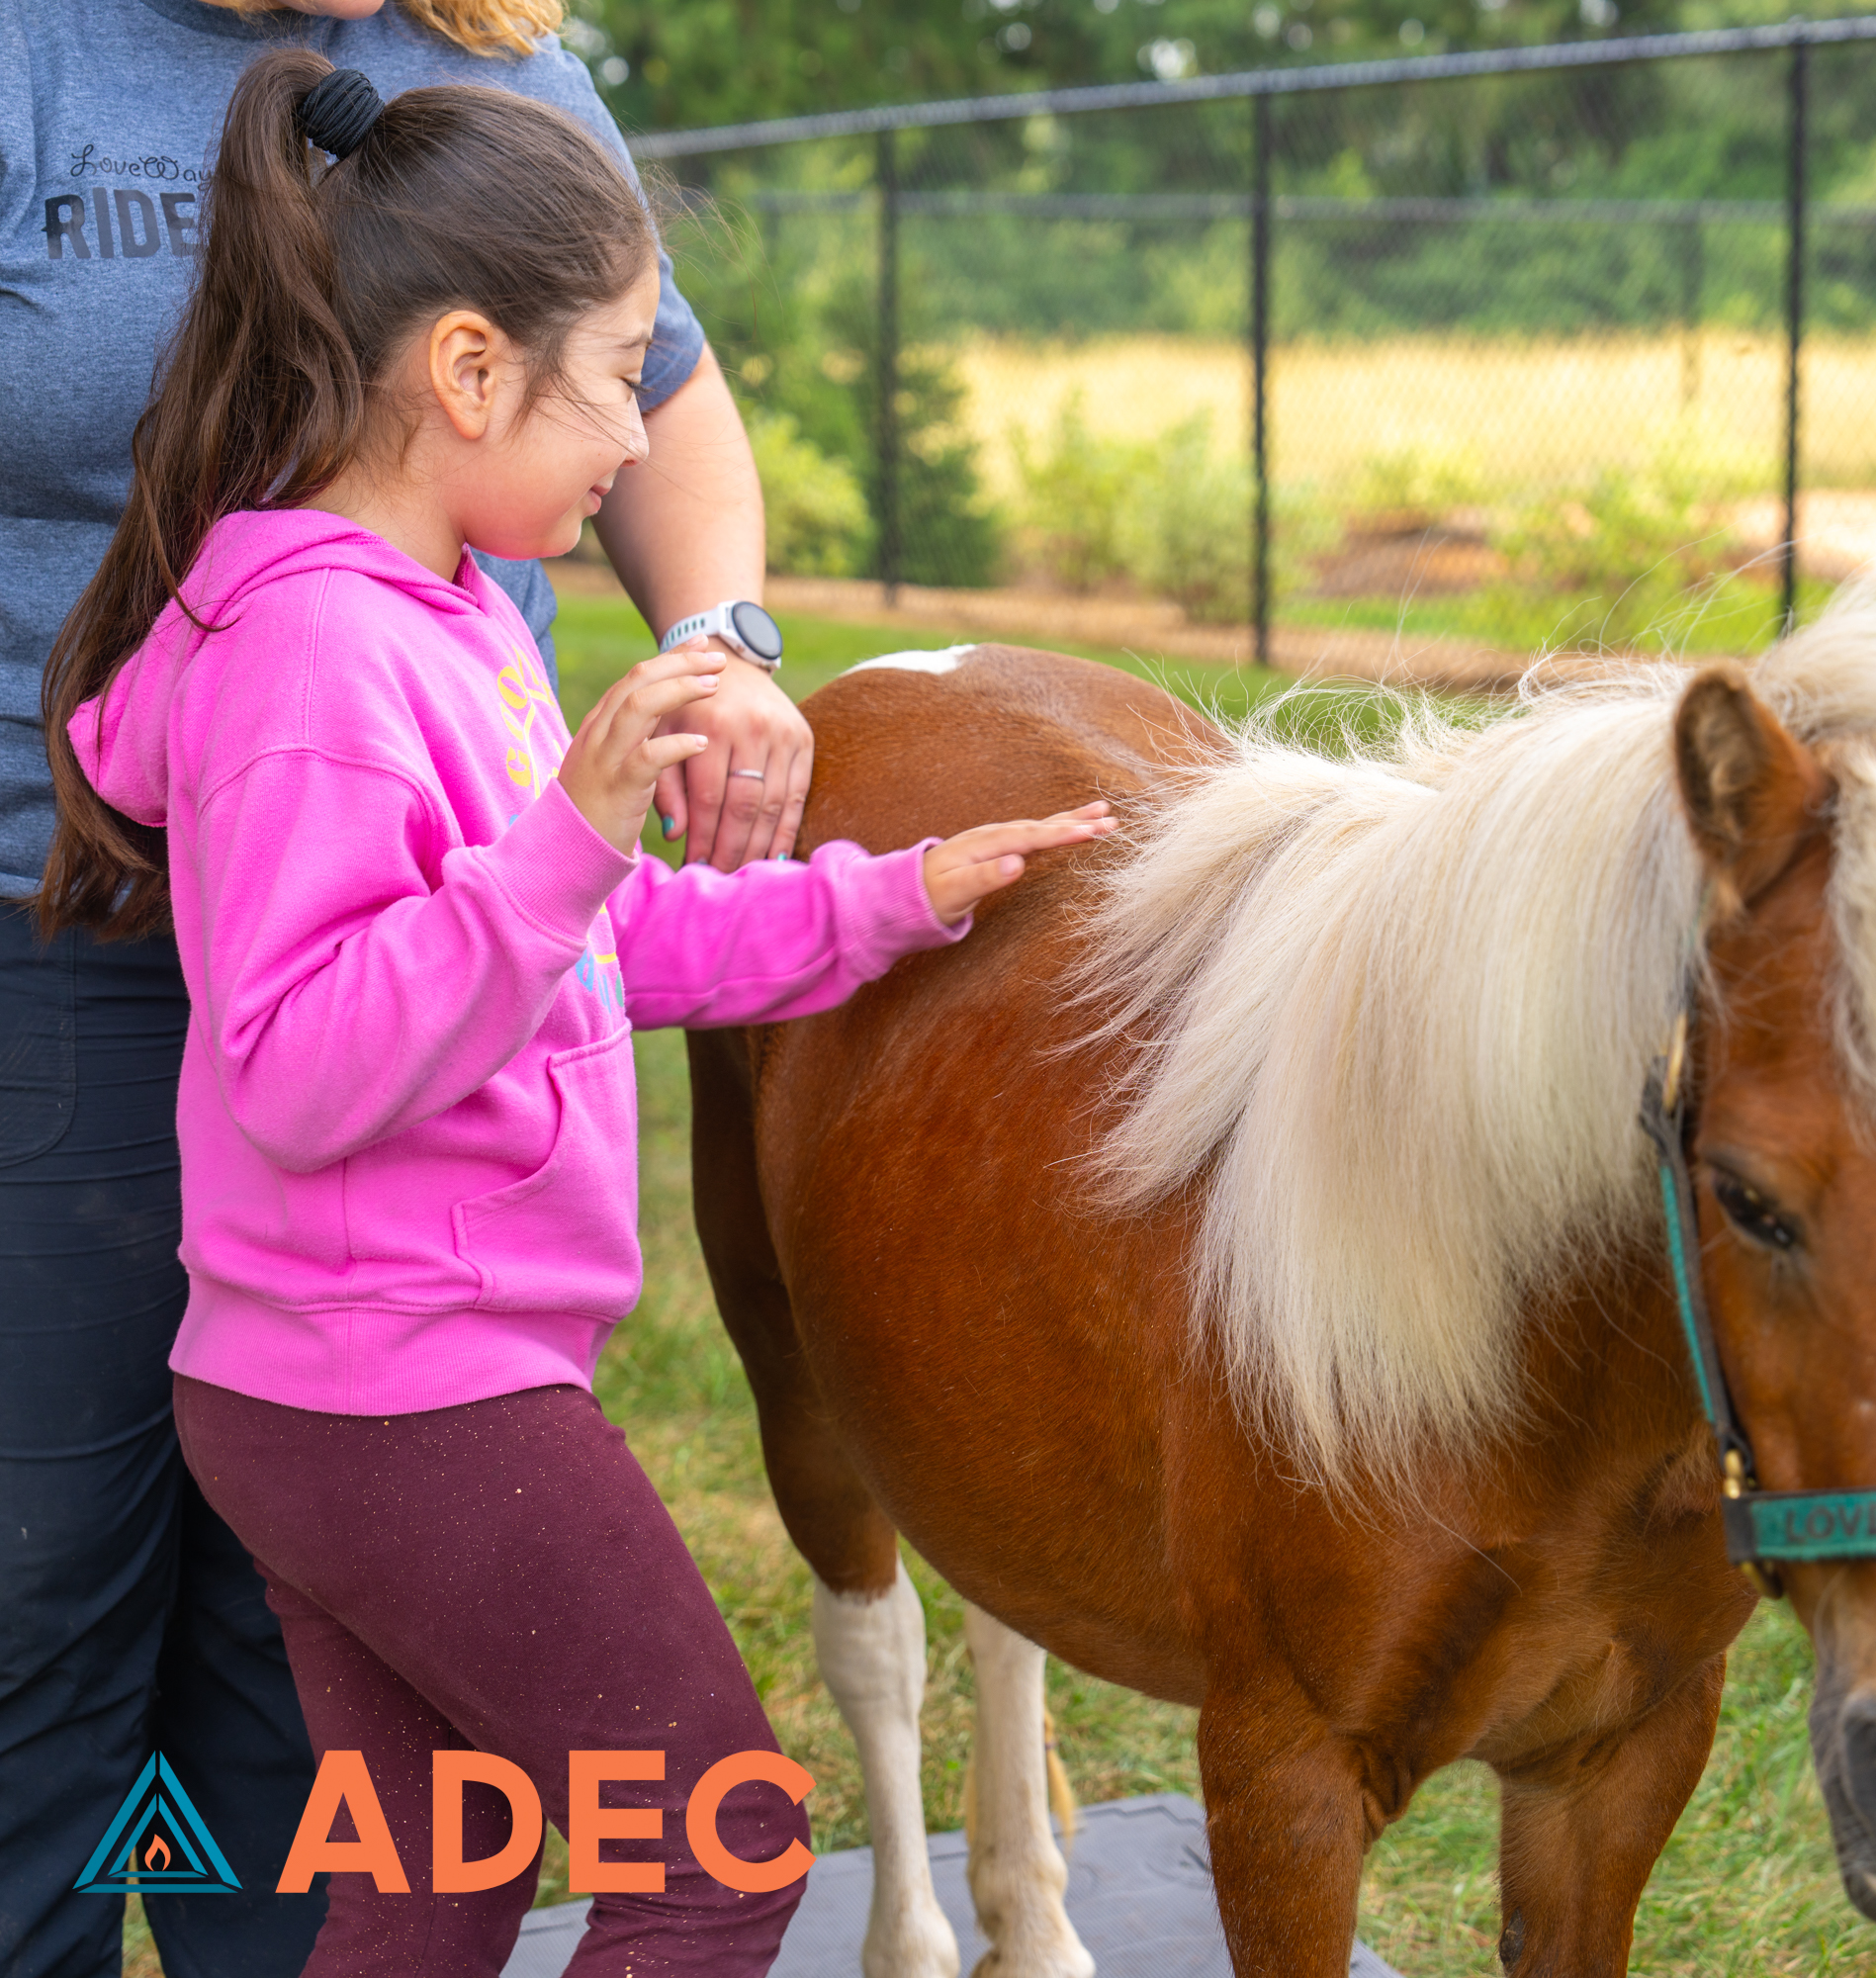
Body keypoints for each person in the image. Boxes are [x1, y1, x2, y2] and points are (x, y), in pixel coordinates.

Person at [39, 50, 1113, 1976]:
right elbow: (299, 1066)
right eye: (618, 374)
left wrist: (896, 898)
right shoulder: (315, 659)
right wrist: (568, 839)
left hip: (378, 1384)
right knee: (720, 1853)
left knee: (431, 1886)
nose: (640, 431)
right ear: (468, 373)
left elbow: (584, 955)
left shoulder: (446, 610)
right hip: (397, 1396)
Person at [0, 4, 801, 1972]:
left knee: (313, 1644)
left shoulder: (496, 61)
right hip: (62, 923)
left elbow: (661, 393)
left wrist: (721, 649)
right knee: (50, 1590)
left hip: (444, 933)